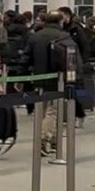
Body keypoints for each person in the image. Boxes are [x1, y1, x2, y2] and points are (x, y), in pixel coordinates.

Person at [29, 11, 67, 154]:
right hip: (56, 79)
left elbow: (28, 57)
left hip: (38, 78)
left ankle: (52, 141)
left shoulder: (35, 36)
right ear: (60, 21)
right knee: (52, 110)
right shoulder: (63, 36)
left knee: (42, 110)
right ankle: (44, 140)